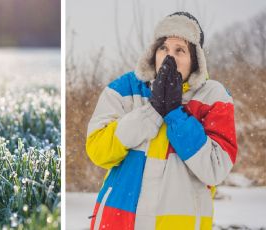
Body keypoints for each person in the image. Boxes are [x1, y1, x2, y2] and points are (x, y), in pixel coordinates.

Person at [86, 12, 237, 230]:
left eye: (180, 50)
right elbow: (98, 151)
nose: (169, 57)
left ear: (195, 60)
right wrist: (152, 112)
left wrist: (175, 114)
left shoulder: (214, 97)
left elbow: (215, 169)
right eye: (163, 48)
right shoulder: (125, 88)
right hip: (118, 221)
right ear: (153, 52)